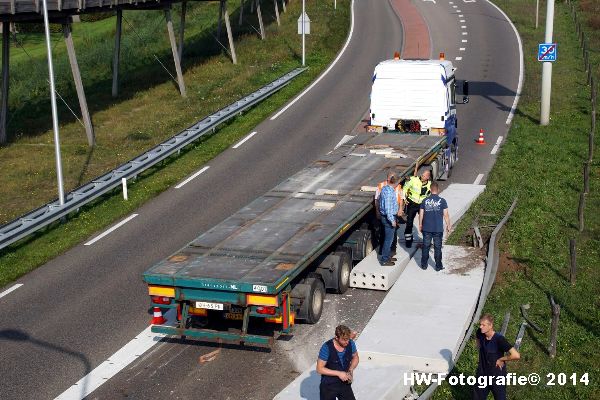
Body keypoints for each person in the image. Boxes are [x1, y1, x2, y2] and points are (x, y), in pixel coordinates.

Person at [474, 314, 521, 400]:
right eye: (480, 324)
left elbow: (516, 355)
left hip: (497, 376)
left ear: (490, 325)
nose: (481, 327)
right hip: (482, 373)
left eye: (483, 325)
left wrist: (501, 359)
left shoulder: (499, 339)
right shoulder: (480, 333)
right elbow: (478, 343)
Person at [317, 325, 360, 400]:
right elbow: (319, 369)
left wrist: (351, 369)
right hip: (328, 386)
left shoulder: (350, 342)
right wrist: (339, 373)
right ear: (336, 338)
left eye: (348, 339)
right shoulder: (326, 347)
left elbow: (355, 357)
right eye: (344, 340)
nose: (347, 342)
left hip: (344, 384)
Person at [418, 182, 451, 271]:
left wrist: (420, 224)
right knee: (437, 248)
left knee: (425, 246)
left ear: (430, 190)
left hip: (426, 228)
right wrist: (448, 225)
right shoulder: (442, 201)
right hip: (438, 229)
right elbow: (446, 215)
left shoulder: (425, 200)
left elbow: (421, 214)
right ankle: (438, 266)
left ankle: (424, 265)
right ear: (438, 190)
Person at [374, 171, 405, 257]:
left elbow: (401, 197)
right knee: (386, 235)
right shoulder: (382, 186)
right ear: (389, 178)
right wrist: (378, 212)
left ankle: (390, 252)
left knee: (392, 235)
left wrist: (400, 209)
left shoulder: (396, 187)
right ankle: (385, 255)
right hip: (389, 214)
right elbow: (377, 200)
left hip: (393, 213)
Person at [403, 168, 431, 248]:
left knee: (425, 223)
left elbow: (430, 195)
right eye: (422, 175)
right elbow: (405, 189)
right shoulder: (413, 180)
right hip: (412, 204)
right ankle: (408, 241)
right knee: (409, 223)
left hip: (422, 205)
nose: (422, 176)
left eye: (424, 176)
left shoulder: (430, 184)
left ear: (428, 177)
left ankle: (426, 240)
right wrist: (404, 199)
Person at [378, 175, 401, 266]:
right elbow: (387, 208)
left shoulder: (385, 188)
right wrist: (392, 220)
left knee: (388, 239)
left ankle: (387, 256)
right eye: (398, 183)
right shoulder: (389, 192)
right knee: (389, 240)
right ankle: (384, 259)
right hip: (388, 218)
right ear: (395, 183)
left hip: (387, 217)